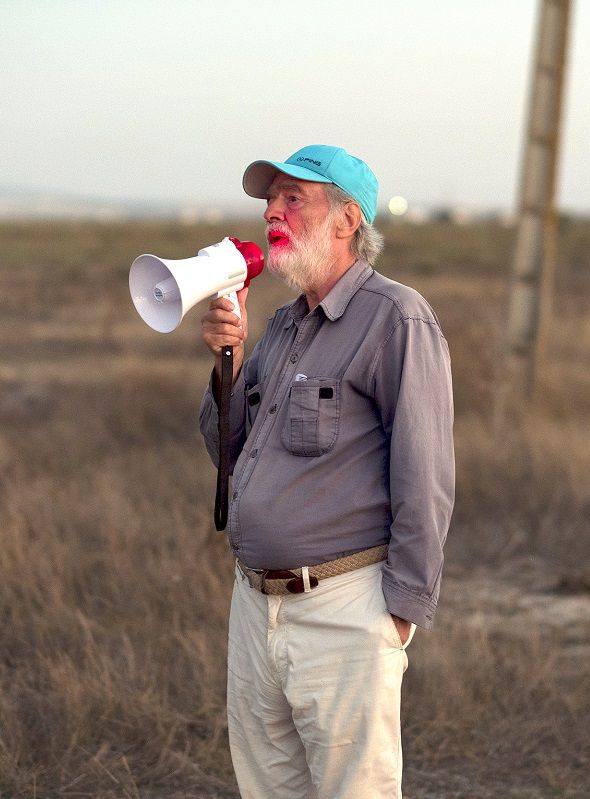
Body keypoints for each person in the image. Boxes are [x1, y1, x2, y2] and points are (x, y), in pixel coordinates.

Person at [199, 144, 455, 798]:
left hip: (345, 612)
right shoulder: (283, 327)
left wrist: (399, 613)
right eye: (269, 201)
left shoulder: (395, 319)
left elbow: (424, 476)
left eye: (293, 199)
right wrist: (229, 356)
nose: (272, 213)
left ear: (347, 221)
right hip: (256, 612)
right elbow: (223, 447)